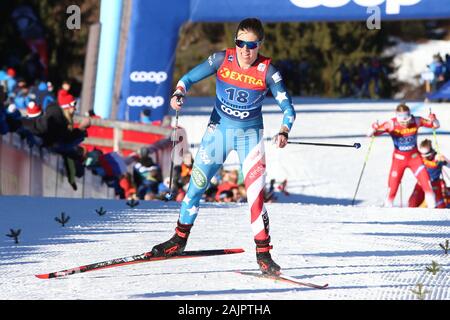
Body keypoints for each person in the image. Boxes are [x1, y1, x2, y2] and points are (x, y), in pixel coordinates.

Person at [151, 18, 296, 275]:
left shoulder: (268, 71)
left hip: (249, 138)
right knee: (195, 186)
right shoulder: (221, 60)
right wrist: (178, 94)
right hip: (218, 133)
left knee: (255, 197)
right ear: (235, 42)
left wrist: (284, 130)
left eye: (252, 45)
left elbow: (288, 109)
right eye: (241, 43)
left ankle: (263, 255)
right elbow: (186, 79)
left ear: (260, 44)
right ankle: (178, 241)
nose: (245, 50)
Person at [368, 104, 439, 208]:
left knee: (426, 183)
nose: (405, 124)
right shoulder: (391, 124)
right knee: (392, 187)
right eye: (402, 122)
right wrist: (373, 128)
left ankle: (433, 210)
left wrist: (434, 119)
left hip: (415, 159)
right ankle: (387, 210)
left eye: (407, 121)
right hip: (398, 160)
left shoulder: (416, 120)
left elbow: (435, 125)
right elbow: (371, 134)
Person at [409, 139, 449, 209]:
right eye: (423, 155)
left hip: (434, 183)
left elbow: (448, 165)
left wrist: (444, 162)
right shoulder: (420, 156)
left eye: (427, 155)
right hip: (421, 183)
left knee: (439, 205)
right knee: (413, 202)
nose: (425, 157)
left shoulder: (437, 157)